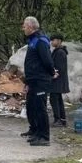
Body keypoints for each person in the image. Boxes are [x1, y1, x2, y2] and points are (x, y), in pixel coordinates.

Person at [20, 17, 54, 146]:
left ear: (30, 27)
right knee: (32, 107)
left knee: (40, 108)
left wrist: (51, 72)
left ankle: (44, 137)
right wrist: (27, 81)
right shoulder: (32, 40)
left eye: (24, 26)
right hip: (33, 80)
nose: (23, 28)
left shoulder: (40, 41)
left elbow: (47, 60)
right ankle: (36, 132)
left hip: (41, 80)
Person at [50, 33, 69, 127]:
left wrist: (54, 74)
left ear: (59, 41)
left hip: (57, 80)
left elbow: (59, 68)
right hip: (57, 80)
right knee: (58, 100)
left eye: (53, 40)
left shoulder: (60, 52)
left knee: (55, 100)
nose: (52, 42)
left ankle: (58, 120)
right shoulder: (57, 51)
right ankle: (62, 119)